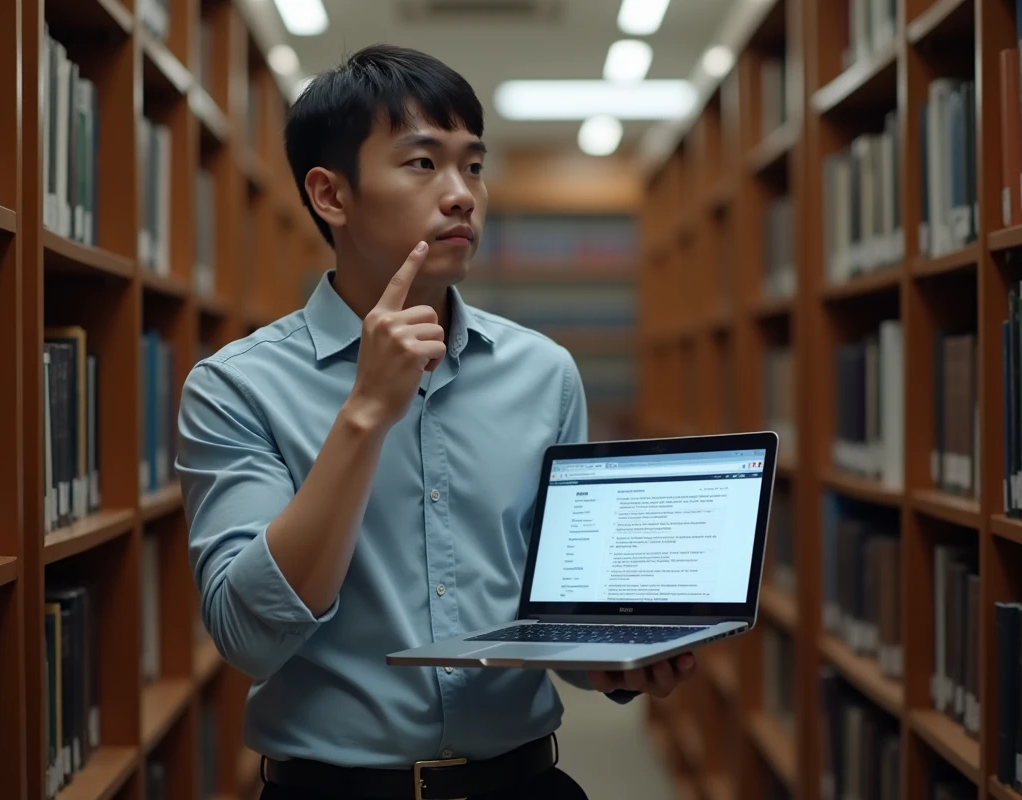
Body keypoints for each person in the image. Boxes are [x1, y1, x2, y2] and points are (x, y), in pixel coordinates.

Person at [175, 43, 696, 800]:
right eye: (423, 163)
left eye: (474, 166)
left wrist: (617, 660)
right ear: (331, 195)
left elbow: (558, 614)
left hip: (523, 783)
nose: (462, 195)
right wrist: (365, 413)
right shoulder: (235, 388)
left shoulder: (543, 373)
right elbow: (249, 637)